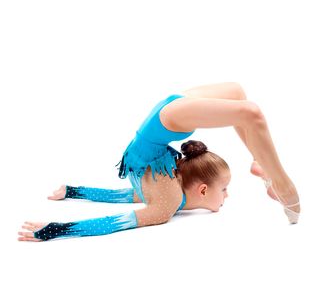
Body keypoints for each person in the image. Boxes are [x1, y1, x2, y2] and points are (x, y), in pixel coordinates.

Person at [18, 82, 301, 242]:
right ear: (202, 190)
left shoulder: (163, 194)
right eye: (224, 188)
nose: (227, 195)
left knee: (242, 100)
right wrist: (55, 226)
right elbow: (121, 211)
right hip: (167, 117)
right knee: (247, 107)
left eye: (225, 188)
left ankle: (261, 165)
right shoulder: (165, 201)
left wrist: (70, 197)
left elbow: (122, 205)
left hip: (169, 117)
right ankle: (282, 184)